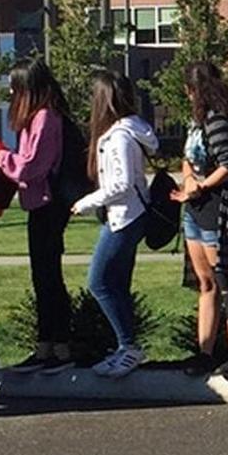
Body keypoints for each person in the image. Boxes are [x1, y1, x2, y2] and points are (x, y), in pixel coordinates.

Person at [0, 59, 74, 375]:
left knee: (49, 276)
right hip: (37, 204)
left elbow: (31, 167)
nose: (13, 93)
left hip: (49, 204)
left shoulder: (46, 118)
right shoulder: (35, 119)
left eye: (17, 86)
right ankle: (46, 345)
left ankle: (61, 346)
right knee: (41, 276)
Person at [69, 71, 158, 378]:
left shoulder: (119, 137)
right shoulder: (127, 131)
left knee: (99, 281)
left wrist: (86, 202)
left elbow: (121, 183)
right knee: (117, 283)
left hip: (125, 217)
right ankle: (125, 347)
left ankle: (129, 346)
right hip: (126, 215)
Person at [173, 62, 228, 380]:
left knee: (227, 280)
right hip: (194, 209)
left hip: (218, 209)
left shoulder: (218, 122)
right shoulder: (196, 124)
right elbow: (188, 158)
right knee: (204, 282)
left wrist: (203, 185)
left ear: (194, 90)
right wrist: (189, 179)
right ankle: (205, 351)